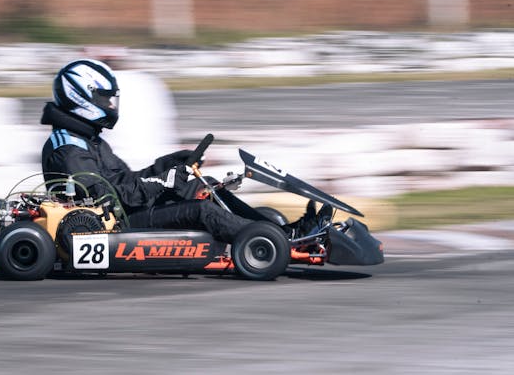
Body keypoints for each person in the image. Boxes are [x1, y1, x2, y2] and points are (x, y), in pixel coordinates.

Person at [40, 59, 314, 243]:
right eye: (104, 99)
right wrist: (161, 181)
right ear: (80, 97)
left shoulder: (87, 139)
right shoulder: (69, 149)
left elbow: (123, 182)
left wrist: (168, 165)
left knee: (202, 188)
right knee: (202, 210)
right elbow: (105, 199)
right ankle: (273, 241)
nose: (111, 105)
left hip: (123, 212)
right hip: (114, 225)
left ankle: (284, 232)